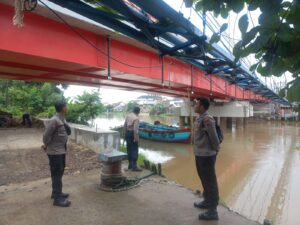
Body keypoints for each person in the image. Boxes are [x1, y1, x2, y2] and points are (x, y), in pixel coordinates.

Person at [193, 97, 220, 220]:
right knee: (204, 180)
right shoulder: (199, 118)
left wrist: (216, 149)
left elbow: (214, 137)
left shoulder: (207, 119)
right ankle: (207, 201)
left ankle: (213, 211)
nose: (195, 106)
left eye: (197, 104)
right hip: (199, 154)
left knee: (210, 182)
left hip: (207, 155)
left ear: (202, 106)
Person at [42, 101, 71, 207]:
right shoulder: (54, 120)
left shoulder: (62, 118)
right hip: (54, 152)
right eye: (66, 106)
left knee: (59, 172)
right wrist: (46, 145)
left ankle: (56, 193)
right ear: (62, 108)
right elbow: (45, 136)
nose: (67, 107)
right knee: (57, 174)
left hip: (61, 150)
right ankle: (57, 200)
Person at [124, 106, 142, 171]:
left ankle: (130, 165)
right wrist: (136, 138)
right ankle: (134, 166)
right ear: (138, 112)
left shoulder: (128, 116)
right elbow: (135, 130)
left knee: (129, 149)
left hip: (128, 133)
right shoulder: (136, 118)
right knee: (134, 149)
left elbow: (125, 125)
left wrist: (125, 134)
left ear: (133, 110)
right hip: (132, 134)